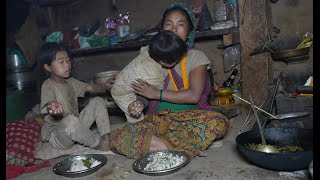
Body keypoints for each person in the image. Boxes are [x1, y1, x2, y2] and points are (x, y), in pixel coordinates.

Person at [108, 2, 229, 160]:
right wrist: (138, 103)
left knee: (219, 122)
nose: (173, 30)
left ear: (189, 31)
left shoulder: (196, 57)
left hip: (189, 119)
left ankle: (160, 146)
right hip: (157, 120)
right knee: (116, 136)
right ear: (161, 29)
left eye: (180, 25)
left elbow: (194, 96)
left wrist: (155, 93)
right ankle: (177, 146)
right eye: (168, 24)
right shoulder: (152, 57)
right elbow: (143, 92)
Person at [38, 42, 116, 151]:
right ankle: (96, 144)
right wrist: (52, 106)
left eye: (68, 60)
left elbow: (92, 88)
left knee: (97, 101)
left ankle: (106, 137)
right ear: (48, 67)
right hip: (59, 135)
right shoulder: (48, 85)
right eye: (61, 62)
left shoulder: (71, 82)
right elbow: (49, 102)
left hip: (76, 127)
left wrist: (105, 86)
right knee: (70, 120)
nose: (67, 65)